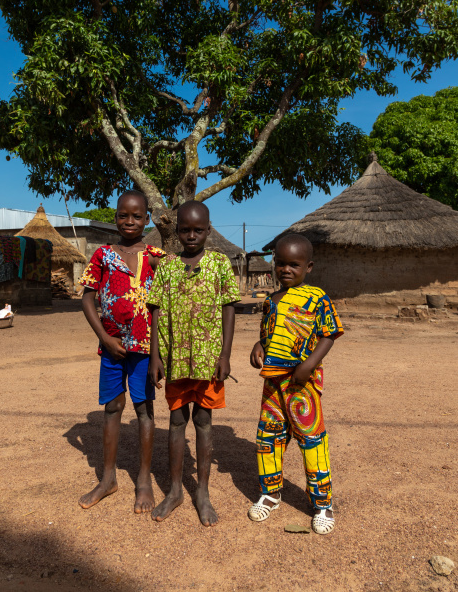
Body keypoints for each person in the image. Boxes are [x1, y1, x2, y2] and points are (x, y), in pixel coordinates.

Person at [148, 201, 241, 526]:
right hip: (174, 361)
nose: (191, 235)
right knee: (176, 422)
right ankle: (175, 490)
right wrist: (155, 357)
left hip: (208, 361)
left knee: (203, 421)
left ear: (208, 229)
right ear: (177, 230)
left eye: (198, 230)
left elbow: (230, 306)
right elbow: (155, 310)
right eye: (185, 230)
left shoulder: (218, 264)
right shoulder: (169, 267)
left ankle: (202, 491)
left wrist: (225, 354)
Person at [248, 234, 343, 534]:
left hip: (303, 384)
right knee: (268, 438)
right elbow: (268, 335)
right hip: (272, 385)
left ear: (309, 267)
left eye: (295, 264)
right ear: (274, 265)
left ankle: (322, 503)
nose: (286, 269)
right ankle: (271, 493)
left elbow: (329, 334)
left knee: (312, 441)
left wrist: (309, 365)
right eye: (281, 264)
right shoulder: (269, 301)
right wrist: (258, 346)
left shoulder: (318, 298)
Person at [77, 190, 164, 513]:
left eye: (137, 216)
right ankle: (108, 478)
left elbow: (164, 304)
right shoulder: (102, 255)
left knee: (143, 410)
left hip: (145, 349)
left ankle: (143, 480)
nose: (130, 221)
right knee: (112, 407)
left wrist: (160, 353)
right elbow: (87, 298)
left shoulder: (156, 256)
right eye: (123, 215)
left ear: (147, 219)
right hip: (112, 347)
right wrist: (103, 337)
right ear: (115, 218)